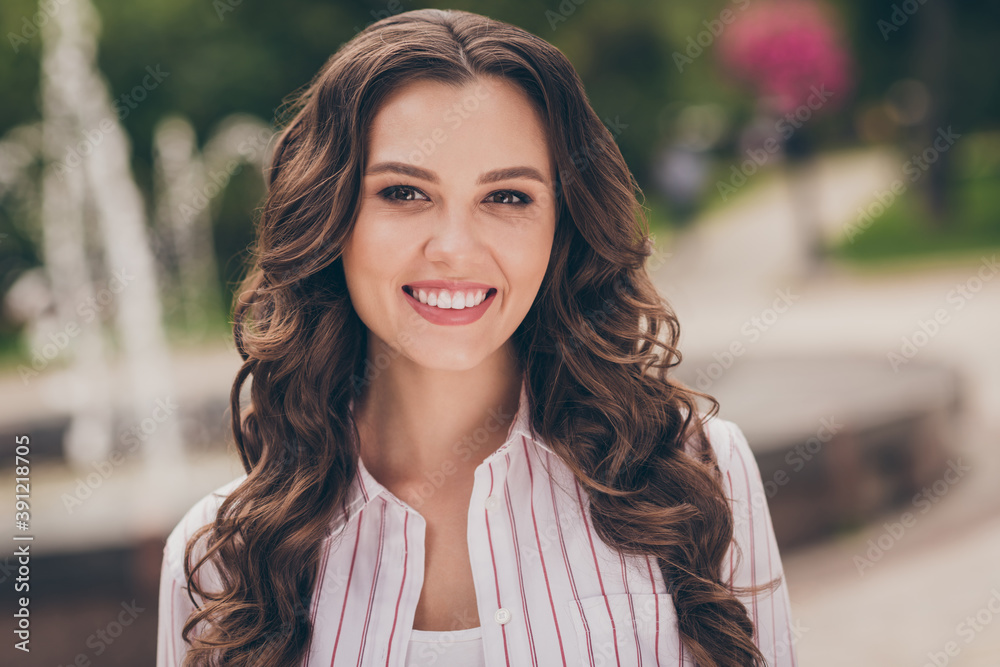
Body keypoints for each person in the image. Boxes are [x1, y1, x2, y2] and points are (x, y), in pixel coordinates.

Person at [156, 8, 797, 667]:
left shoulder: (693, 476)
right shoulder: (218, 561)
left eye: (508, 197)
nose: (455, 250)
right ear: (331, 217)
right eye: (404, 192)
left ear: (562, 223)